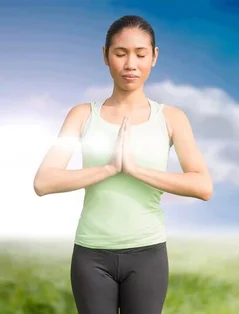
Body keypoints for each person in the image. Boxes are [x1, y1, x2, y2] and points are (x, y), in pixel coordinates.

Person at [33, 15, 213, 314]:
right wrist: (107, 169)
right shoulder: (81, 116)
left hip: (148, 254)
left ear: (154, 57)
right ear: (105, 56)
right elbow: (44, 181)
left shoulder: (171, 118)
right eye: (120, 53)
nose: (131, 64)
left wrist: (136, 169)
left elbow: (203, 186)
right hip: (91, 255)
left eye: (141, 54)